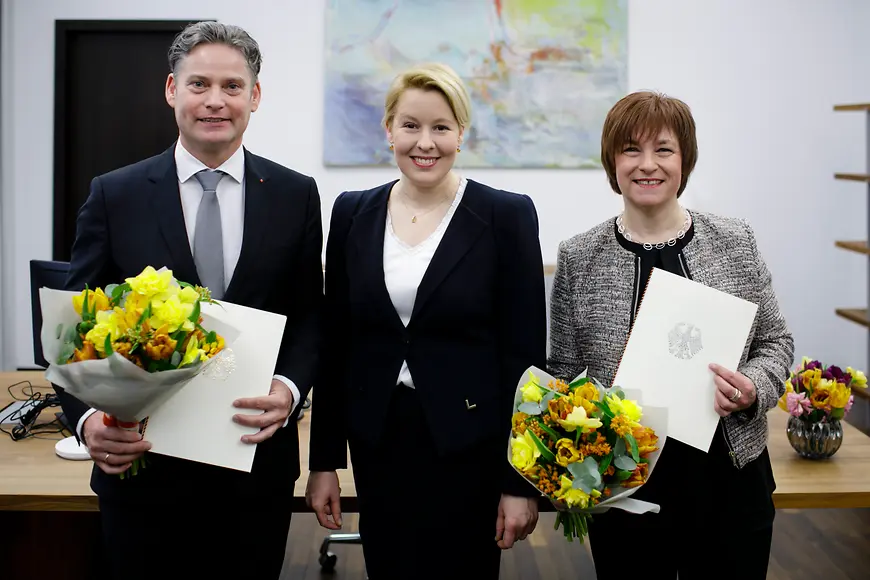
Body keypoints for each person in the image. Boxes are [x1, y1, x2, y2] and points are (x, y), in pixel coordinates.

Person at [52, 21, 323, 579]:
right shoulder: (115, 193)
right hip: (143, 465)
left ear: (255, 96)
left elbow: (309, 316)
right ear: (172, 90)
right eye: (199, 84)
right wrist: (85, 424)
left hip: (254, 462)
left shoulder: (296, 195)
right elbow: (67, 329)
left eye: (231, 86)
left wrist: (290, 388)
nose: (215, 102)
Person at [305, 63, 545, 579]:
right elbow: (337, 343)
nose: (425, 142)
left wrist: (520, 482)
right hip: (379, 443)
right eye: (411, 125)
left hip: (471, 445)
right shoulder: (351, 213)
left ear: (463, 133)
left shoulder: (505, 215)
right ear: (388, 130)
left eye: (441, 127)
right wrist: (323, 461)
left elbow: (524, 357)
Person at [547, 91, 794, 579]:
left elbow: (775, 342)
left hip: (729, 479)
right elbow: (562, 371)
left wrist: (751, 388)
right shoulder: (579, 257)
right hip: (626, 487)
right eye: (630, 150)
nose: (647, 165)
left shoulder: (735, 240)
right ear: (611, 162)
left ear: (685, 160)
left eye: (664, 149)